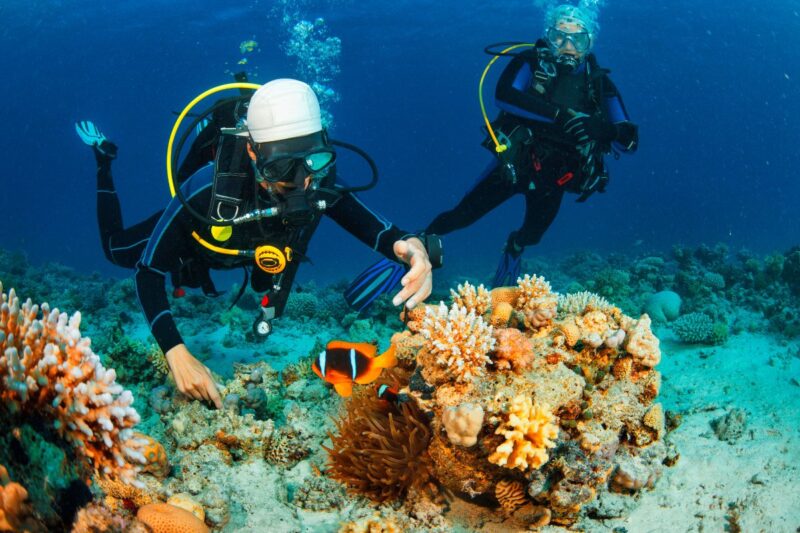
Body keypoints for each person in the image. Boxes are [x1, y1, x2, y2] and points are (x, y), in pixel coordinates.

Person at [76, 79, 440, 408]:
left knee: (271, 275)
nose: (301, 182)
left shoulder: (320, 181)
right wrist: (175, 351)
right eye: (281, 168)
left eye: (312, 160)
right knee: (117, 250)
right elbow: (148, 271)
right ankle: (103, 162)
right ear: (253, 152)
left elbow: (382, 233)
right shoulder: (206, 189)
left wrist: (414, 248)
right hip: (198, 244)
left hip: (260, 253)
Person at [425, 4, 639, 287]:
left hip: (556, 179)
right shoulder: (531, 62)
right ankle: (415, 245)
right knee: (460, 216)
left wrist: (603, 129)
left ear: (590, 42)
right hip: (514, 164)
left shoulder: (600, 85)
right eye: (559, 37)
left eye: (578, 39)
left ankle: (514, 247)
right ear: (548, 37)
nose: (568, 46)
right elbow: (503, 95)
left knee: (533, 235)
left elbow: (630, 141)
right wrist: (559, 115)